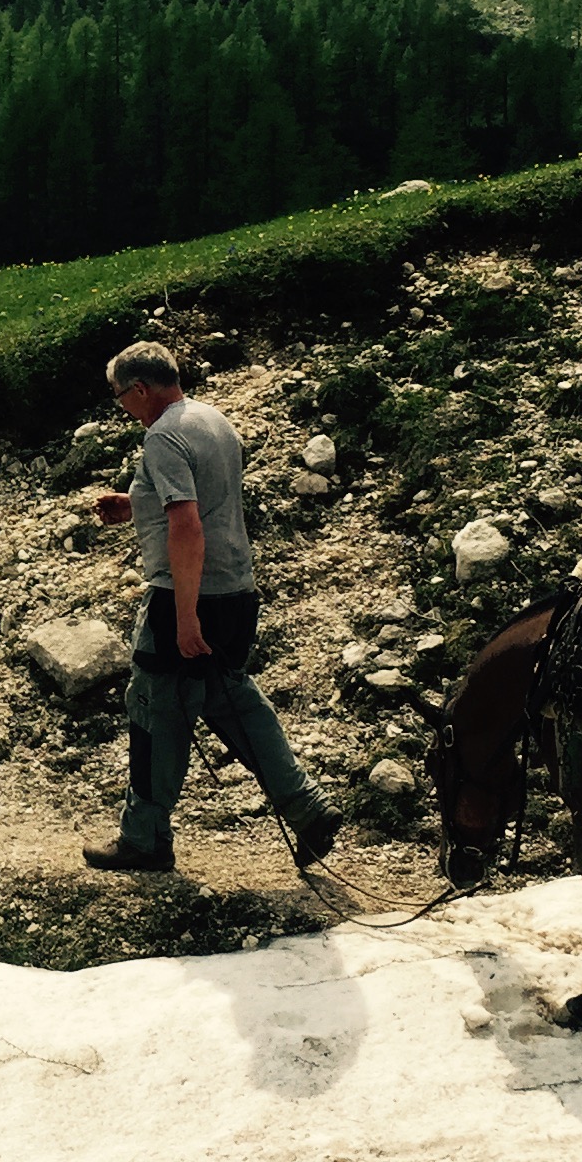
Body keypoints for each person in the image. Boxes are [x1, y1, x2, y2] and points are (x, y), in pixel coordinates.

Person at [82, 341, 340, 875]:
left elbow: (187, 525)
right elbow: (205, 498)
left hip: (187, 595)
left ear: (139, 390)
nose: (121, 408)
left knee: (155, 709)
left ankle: (145, 838)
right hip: (237, 592)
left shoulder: (162, 436)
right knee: (232, 699)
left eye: (118, 398)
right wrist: (136, 502)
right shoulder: (212, 420)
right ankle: (307, 807)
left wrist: (184, 616)